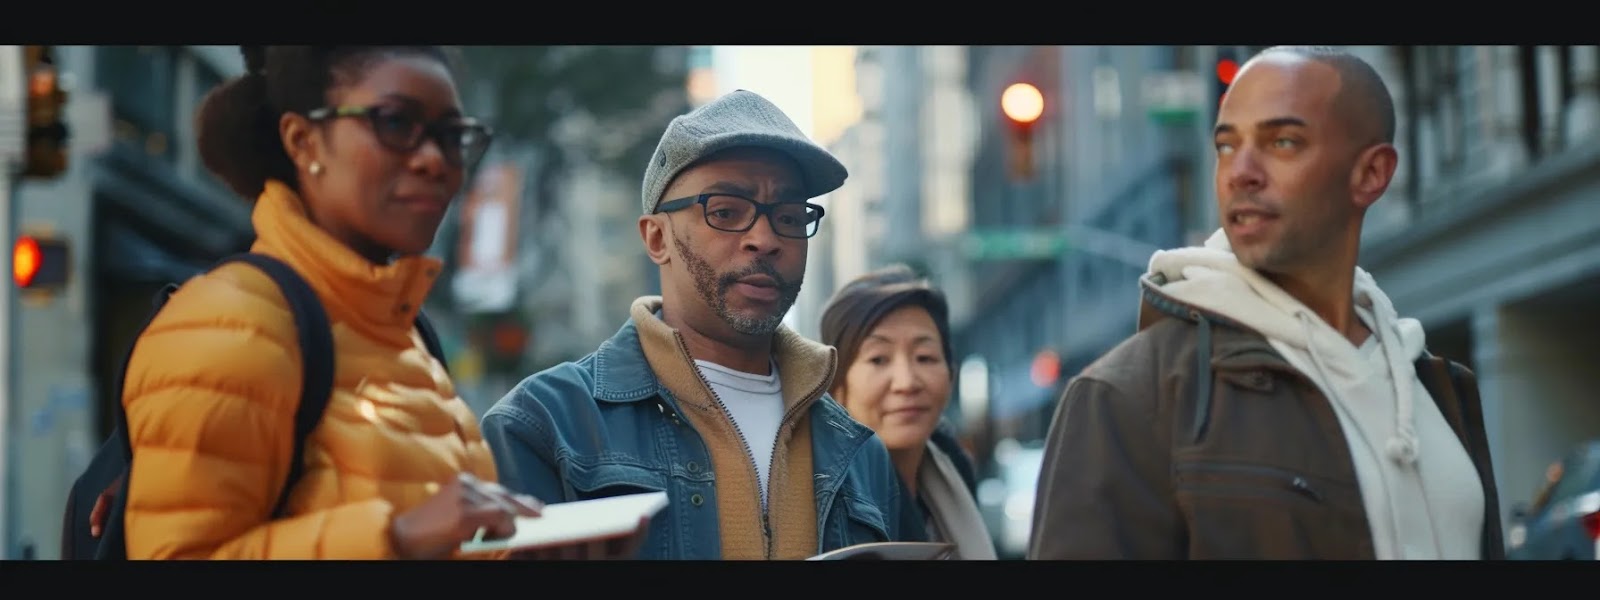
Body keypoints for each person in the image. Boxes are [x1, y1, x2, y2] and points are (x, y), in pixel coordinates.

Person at [111, 45, 642, 560]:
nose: (434, 160)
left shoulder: (410, 337)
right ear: (303, 141)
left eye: (451, 136)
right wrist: (399, 537)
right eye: (394, 123)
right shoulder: (232, 323)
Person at [1028, 46, 1503, 560]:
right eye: (1227, 146)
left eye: (1282, 141)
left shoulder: (1439, 390)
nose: (1241, 172)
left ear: (1371, 174)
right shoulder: (1131, 396)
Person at [481, 89, 917, 560]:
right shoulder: (546, 424)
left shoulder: (859, 453)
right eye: (726, 211)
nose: (765, 239)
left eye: (789, 216)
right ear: (656, 237)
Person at [818, 264, 997, 560]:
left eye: (924, 357)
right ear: (835, 384)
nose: (907, 382)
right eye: (878, 359)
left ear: (950, 374)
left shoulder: (953, 468)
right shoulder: (819, 497)